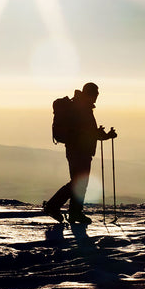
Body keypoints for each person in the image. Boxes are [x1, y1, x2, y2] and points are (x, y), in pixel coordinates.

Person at [43, 82, 116, 224]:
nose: (97, 96)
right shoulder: (81, 108)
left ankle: (73, 212)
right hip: (79, 151)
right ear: (90, 94)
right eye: (96, 93)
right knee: (78, 183)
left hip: (76, 150)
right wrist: (104, 135)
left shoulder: (81, 106)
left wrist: (101, 134)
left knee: (79, 183)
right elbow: (85, 133)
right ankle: (57, 207)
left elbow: (85, 132)